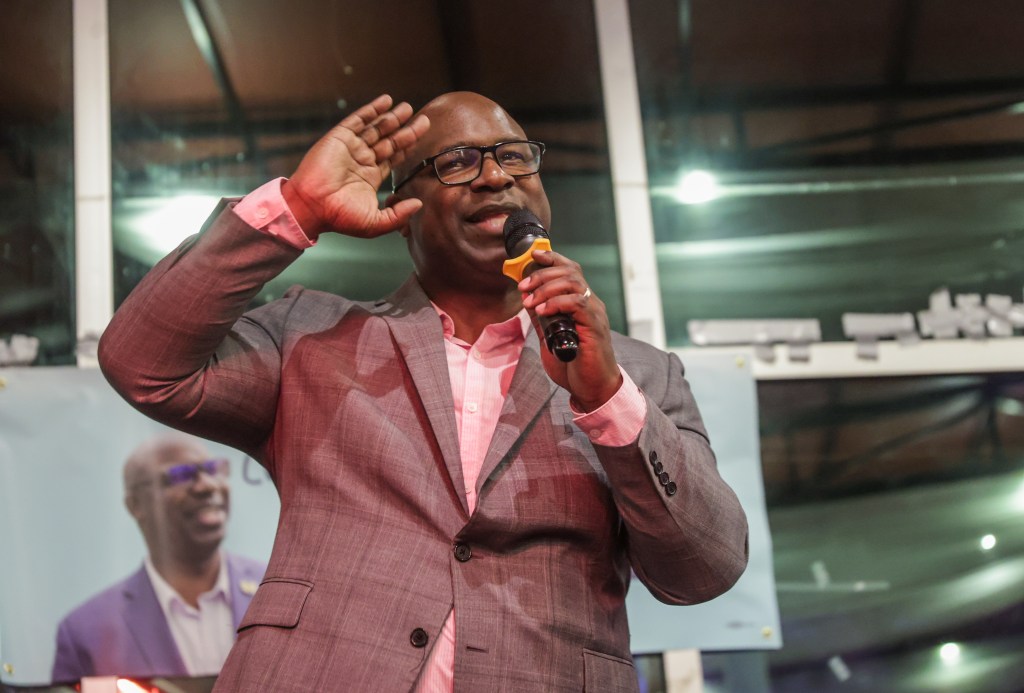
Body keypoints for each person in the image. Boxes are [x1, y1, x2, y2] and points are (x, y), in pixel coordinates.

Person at [97, 92, 749, 692]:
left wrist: (608, 397)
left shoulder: (639, 374)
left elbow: (704, 567)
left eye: (514, 156)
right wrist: (295, 207)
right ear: (400, 212)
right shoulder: (310, 336)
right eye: (458, 162)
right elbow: (142, 363)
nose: (496, 176)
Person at [51, 435, 266, 682]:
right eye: (180, 475)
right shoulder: (87, 632)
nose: (207, 485)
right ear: (135, 505)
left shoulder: (280, 595)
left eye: (212, 469)